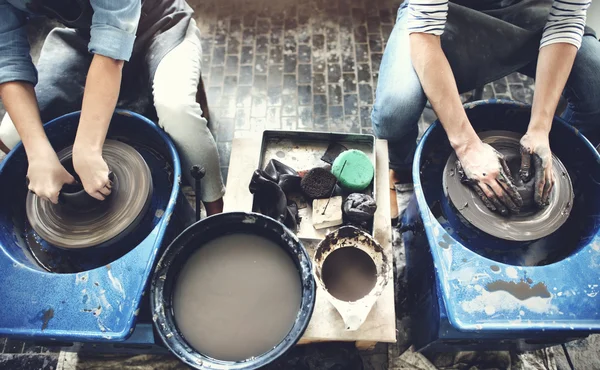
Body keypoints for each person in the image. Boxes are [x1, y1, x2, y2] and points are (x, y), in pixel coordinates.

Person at [372, 0, 598, 216]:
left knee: (596, 86)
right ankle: (401, 171)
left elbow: (565, 22)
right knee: (394, 110)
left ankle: (553, 168)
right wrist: (467, 146)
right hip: (446, 16)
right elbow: (425, 30)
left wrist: (540, 128)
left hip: (531, 16)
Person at [0, 0, 225, 216]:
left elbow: (112, 49)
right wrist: (38, 153)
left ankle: (217, 213)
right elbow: (7, 60)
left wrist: (87, 149)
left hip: (160, 25)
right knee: (10, 135)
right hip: (89, 40)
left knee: (178, 112)